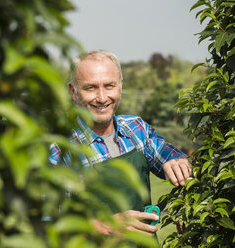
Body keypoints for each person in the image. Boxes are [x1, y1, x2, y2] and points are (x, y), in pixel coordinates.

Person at [49, 49, 192, 236]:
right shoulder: (59, 150)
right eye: (90, 87)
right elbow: (48, 222)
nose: (102, 98)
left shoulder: (136, 129)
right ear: (73, 92)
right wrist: (103, 226)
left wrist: (177, 161)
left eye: (109, 86)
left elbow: (164, 153)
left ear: (120, 86)